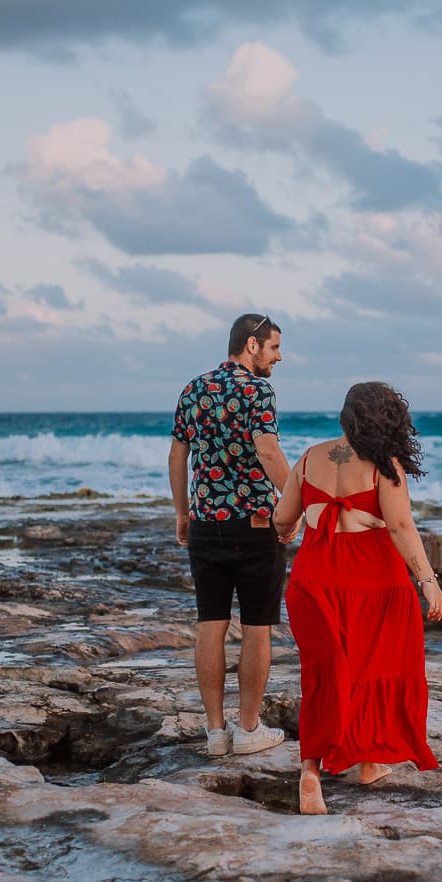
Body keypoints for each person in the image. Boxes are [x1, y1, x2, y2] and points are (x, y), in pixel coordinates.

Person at [272, 381, 442, 814]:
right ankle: (370, 761)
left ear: (345, 417)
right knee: (378, 668)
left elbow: (282, 518)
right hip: (375, 585)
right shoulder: (384, 466)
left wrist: (290, 528)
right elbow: (402, 528)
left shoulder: (311, 457)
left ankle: (311, 771)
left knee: (323, 677)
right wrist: (428, 581)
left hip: (312, 583)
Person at [168, 313, 297, 758]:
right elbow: (267, 449)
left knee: (211, 623)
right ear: (252, 345)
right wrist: (293, 503)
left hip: (205, 525)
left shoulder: (195, 387)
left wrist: (183, 513)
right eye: (274, 347)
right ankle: (248, 730)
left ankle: (215, 732)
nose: (278, 357)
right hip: (256, 526)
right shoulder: (257, 390)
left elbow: (177, 454)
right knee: (258, 627)